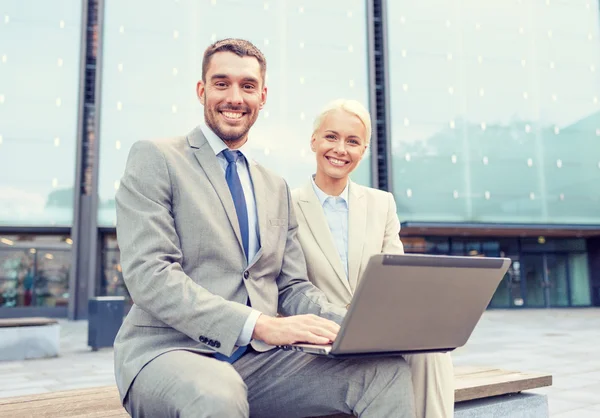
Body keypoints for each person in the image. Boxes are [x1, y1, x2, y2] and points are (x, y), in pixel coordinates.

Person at [113, 38, 416, 417]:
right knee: (218, 394)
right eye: (222, 84)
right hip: (170, 350)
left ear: (263, 95)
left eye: (248, 86)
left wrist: (360, 324)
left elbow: (291, 286)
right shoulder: (156, 158)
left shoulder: (275, 187)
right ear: (201, 90)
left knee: (384, 373)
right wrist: (259, 325)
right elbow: (150, 275)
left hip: (259, 364)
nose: (235, 97)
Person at [291, 99, 455, 418]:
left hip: (377, 330)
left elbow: (396, 281)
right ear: (313, 140)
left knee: (432, 350)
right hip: (320, 336)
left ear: (363, 150)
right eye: (331, 137)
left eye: (353, 141)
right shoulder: (285, 204)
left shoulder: (382, 204)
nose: (340, 149)